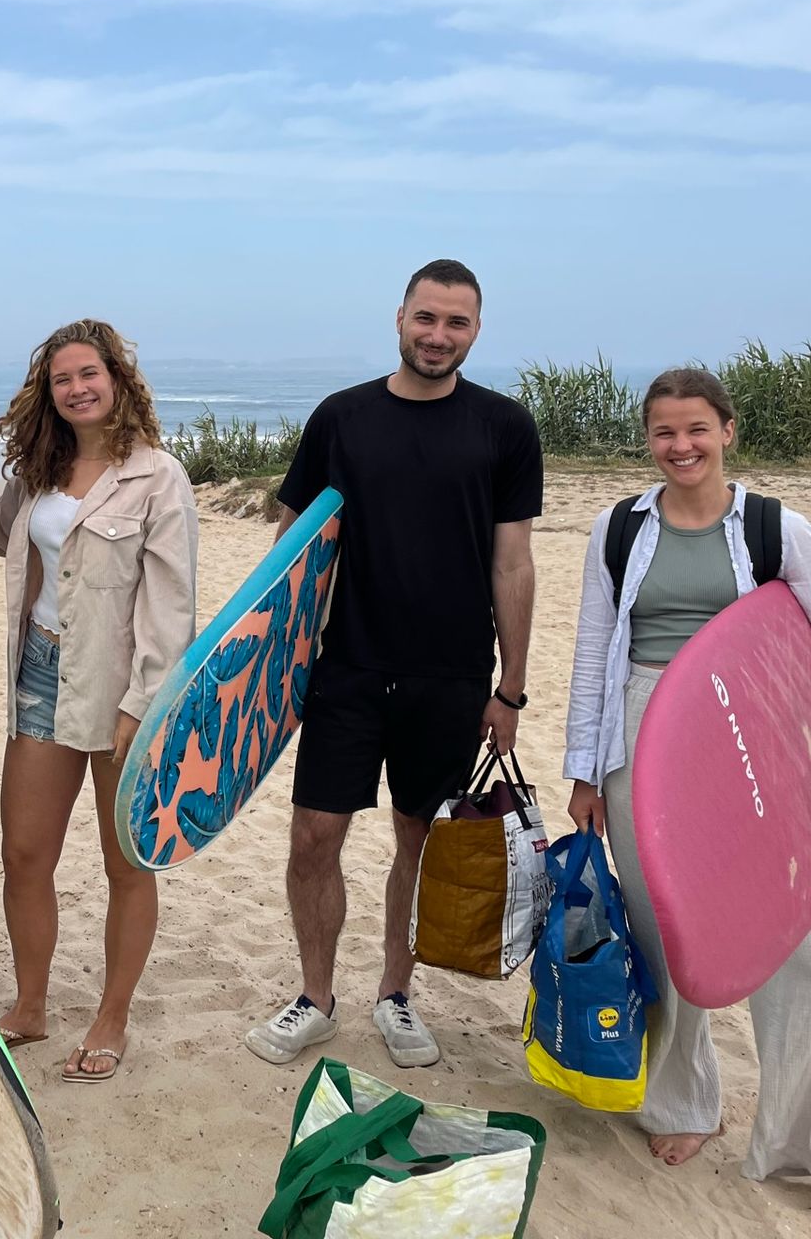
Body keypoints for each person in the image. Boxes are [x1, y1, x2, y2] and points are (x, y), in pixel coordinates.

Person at [563, 368, 811, 1239]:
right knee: (666, 937)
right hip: (642, 735)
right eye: (666, 433)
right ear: (649, 438)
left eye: (697, 430)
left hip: (757, 737)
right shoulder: (620, 528)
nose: (682, 447)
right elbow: (596, 647)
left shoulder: (776, 527)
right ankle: (682, 1106)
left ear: (728, 431)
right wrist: (585, 770)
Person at [245, 259, 542, 1071]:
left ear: (476, 331)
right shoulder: (342, 418)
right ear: (400, 318)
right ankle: (315, 996)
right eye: (427, 318)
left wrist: (509, 688)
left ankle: (396, 993)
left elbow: (512, 564)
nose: (439, 335)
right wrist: (273, 667)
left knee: (418, 838)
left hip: (449, 676)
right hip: (345, 666)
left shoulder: (505, 428)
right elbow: (292, 550)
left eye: (457, 323)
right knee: (314, 838)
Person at [0, 319, 198, 1083]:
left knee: (126, 864)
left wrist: (142, 706)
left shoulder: (158, 477)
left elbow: (171, 610)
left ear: (117, 380)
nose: (76, 388)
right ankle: (31, 1005)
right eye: (62, 379)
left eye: (88, 374)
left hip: (119, 691)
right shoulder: (40, 471)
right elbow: (3, 533)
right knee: (24, 854)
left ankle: (111, 1017)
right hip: (40, 674)